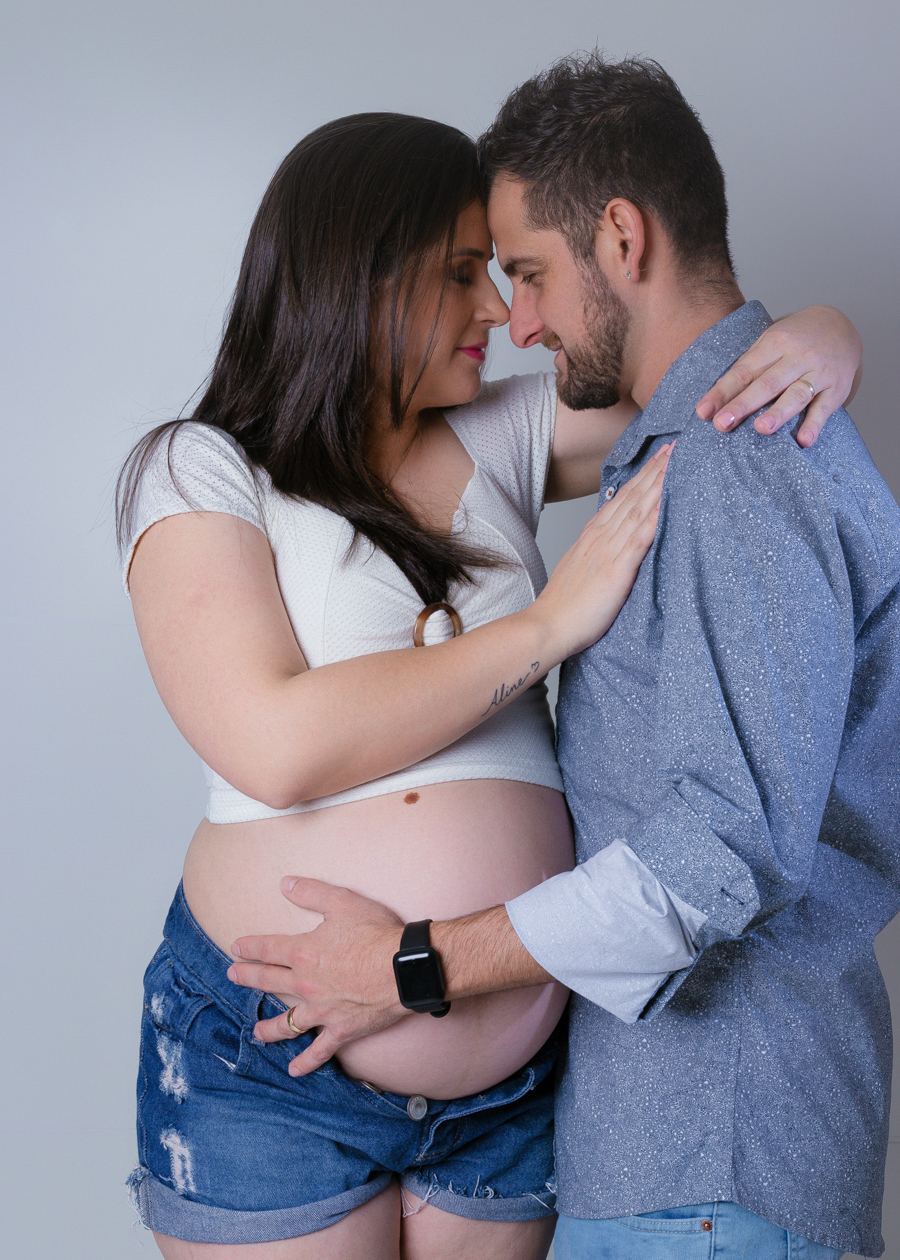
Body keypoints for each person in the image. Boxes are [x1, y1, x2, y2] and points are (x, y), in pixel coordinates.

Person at [121, 112, 863, 1259]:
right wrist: (548, 628)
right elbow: (273, 745)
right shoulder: (200, 467)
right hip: (278, 1060)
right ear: (362, 273)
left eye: (503, 272)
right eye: (464, 273)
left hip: (506, 1096)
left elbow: (693, 382)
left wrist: (823, 334)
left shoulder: (500, 433)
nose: (501, 313)